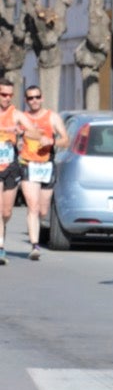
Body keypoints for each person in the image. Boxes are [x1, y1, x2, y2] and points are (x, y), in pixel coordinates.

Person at [14, 84, 69, 261]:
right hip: (28, 164)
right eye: (30, 98)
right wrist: (17, 139)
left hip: (46, 165)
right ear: (26, 101)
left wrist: (51, 142)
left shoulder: (52, 117)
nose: (34, 101)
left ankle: (37, 229)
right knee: (33, 205)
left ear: (42, 98)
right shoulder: (22, 118)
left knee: (43, 210)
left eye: (37, 97)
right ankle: (35, 245)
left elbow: (66, 140)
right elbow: (12, 136)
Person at [0, 80, 22, 265]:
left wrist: (27, 135)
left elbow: (31, 130)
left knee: (6, 212)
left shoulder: (16, 114)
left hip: (10, 165)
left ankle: (2, 230)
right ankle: (0, 248)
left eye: (10, 95)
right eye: (3, 94)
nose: (7, 98)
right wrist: (7, 129)